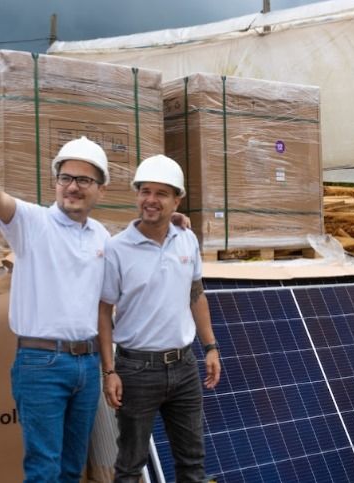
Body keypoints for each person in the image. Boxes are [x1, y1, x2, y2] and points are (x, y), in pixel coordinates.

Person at [0, 125, 189, 483]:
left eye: (84, 180)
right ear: (56, 182)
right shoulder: (32, 223)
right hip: (41, 364)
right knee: (43, 467)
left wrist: (169, 221)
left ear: (100, 190)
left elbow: (133, 248)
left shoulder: (101, 237)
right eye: (66, 177)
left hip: (88, 365)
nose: (73, 186)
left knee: (73, 467)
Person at [98, 154, 221, 483]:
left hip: (184, 367)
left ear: (177, 199)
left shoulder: (187, 239)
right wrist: (109, 370)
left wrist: (210, 347)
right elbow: (103, 312)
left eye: (161, 193)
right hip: (136, 371)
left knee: (193, 462)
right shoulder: (116, 248)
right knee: (129, 466)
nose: (150, 200)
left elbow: (196, 294)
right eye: (145, 191)